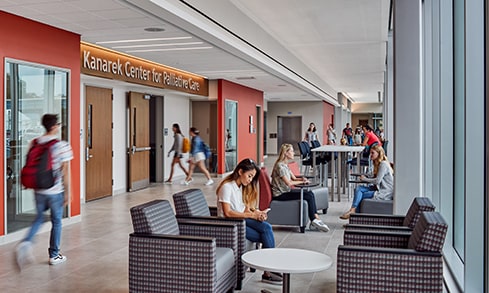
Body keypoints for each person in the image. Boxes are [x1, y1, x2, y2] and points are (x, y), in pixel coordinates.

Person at [16, 114, 73, 269]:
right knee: (57, 222)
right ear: (54, 126)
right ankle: (54, 255)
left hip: (39, 190)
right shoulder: (61, 145)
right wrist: (69, 192)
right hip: (55, 190)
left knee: (39, 218)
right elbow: (65, 171)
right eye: (58, 124)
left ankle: (26, 242)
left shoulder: (34, 142)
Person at [216, 158, 282, 285]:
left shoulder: (238, 186)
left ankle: (269, 271)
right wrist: (251, 215)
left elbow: (242, 207)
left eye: (252, 177)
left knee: (267, 228)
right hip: (231, 224)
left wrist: (257, 213)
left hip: (241, 219)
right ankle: (269, 271)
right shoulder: (226, 187)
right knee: (265, 234)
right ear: (240, 171)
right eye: (249, 176)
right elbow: (228, 213)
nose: (250, 180)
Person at [270, 144, 330, 232]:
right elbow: (289, 182)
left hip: (286, 191)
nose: (294, 153)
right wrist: (302, 182)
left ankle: (315, 219)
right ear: (286, 153)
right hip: (280, 194)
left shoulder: (285, 165)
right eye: (292, 151)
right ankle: (314, 220)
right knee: (308, 196)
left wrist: (302, 178)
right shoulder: (280, 166)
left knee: (309, 194)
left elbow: (294, 178)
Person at [340, 144, 394, 219]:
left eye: (373, 153)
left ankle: (354, 217)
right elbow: (376, 177)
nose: (370, 155)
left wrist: (365, 179)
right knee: (358, 189)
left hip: (384, 192)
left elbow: (377, 181)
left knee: (360, 196)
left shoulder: (383, 164)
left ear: (379, 153)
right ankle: (353, 212)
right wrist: (368, 176)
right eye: (370, 153)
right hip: (378, 188)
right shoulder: (378, 164)